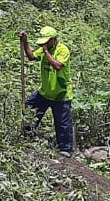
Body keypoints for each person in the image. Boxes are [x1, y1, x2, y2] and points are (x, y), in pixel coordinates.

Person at [19, 26, 75, 157]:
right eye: (43, 43)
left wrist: (46, 52)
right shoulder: (45, 49)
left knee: (62, 123)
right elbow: (31, 56)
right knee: (29, 109)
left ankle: (66, 150)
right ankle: (28, 136)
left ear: (54, 40)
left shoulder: (63, 50)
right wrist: (25, 42)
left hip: (61, 94)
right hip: (44, 92)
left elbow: (57, 66)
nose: (44, 45)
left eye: (46, 42)